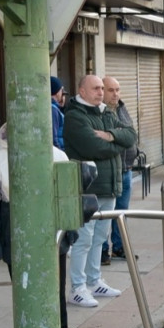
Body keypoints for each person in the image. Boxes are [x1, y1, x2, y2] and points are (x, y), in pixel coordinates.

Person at [0, 124, 85, 328]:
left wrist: (71, 226)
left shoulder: (57, 156)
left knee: (56, 290)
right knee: (23, 290)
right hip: (14, 236)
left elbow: (67, 196)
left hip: (52, 234)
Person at [63, 74, 137, 308]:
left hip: (110, 187)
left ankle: (94, 281)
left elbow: (131, 136)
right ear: (82, 91)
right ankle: (78, 287)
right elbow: (92, 147)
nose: (100, 92)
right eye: (96, 88)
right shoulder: (75, 116)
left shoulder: (106, 112)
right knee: (83, 239)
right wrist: (115, 144)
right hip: (89, 188)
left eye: (101, 89)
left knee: (99, 239)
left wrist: (111, 136)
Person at [100, 76, 137, 266]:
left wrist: (120, 136)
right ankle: (103, 250)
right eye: (111, 90)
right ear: (101, 91)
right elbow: (114, 137)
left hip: (126, 168)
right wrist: (120, 136)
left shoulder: (122, 108)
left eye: (117, 89)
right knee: (105, 212)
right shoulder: (100, 112)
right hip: (109, 171)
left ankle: (120, 247)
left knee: (122, 212)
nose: (115, 94)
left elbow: (130, 135)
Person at [50, 76, 66, 149]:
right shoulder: (53, 109)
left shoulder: (53, 108)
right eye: (61, 90)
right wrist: (60, 154)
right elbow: (53, 136)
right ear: (57, 92)